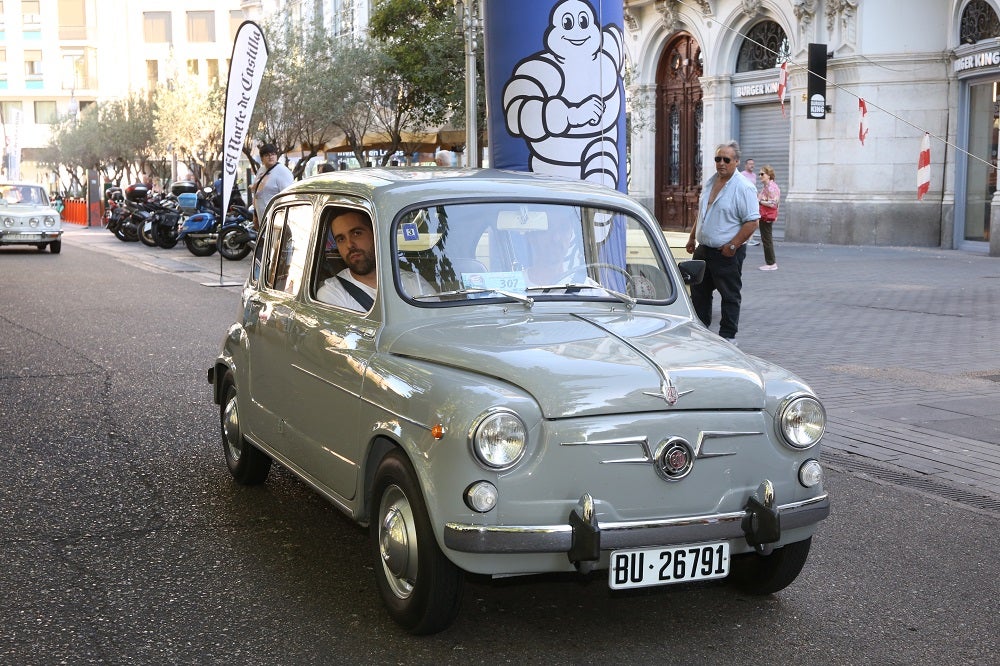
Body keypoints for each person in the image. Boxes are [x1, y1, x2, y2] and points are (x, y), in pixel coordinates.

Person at [684, 141, 760, 344]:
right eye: (718, 159)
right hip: (703, 250)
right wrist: (693, 236)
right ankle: (701, 333)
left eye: (726, 159)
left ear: (736, 161)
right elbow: (703, 213)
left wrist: (733, 246)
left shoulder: (744, 188)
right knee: (699, 294)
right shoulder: (710, 183)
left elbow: (752, 222)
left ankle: (728, 337)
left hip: (726, 252)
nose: (721, 163)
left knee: (729, 295)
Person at [315, 210, 434, 311]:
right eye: (341, 239)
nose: (349, 245)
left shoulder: (414, 283)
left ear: (375, 234)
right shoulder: (332, 294)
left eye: (357, 233)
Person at [251, 143, 293, 229]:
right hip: (262, 219)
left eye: (273, 154)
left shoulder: (283, 171)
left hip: (277, 222)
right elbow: (257, 193)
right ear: (262, 158)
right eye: (267, 155)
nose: (271, 157)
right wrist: (255, 215)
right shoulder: (262, 170)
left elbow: (289, 197)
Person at [757, 165, 781, 271]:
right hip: (765, 215)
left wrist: (760, 201)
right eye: (759, 174)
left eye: (762, 174)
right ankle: (770, 262)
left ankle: (771, 263)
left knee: (767, 239)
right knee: (766, 238)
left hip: (766, 215)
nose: (760, 176)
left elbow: (773, 204)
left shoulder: (771, 187)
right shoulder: (767, 186)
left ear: (768, 175)